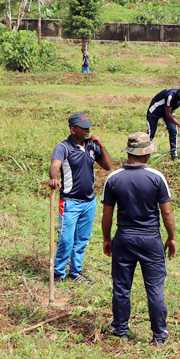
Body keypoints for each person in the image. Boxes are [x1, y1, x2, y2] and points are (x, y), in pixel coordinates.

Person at [102, 132, 177, 346]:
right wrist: (171, 238)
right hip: (150, 239)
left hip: (123, 238)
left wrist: (107, 239)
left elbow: (107, 214)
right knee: (154, 287)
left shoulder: (114, 178)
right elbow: (167, 213)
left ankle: (120, 329)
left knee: (121, 286)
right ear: (146, 154)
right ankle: (159, 336)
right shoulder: (156, 177)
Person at [48, 113, 112, 284]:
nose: (88, 131)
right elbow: (55, 166)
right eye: (84, 128)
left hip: (89, 202)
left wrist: (102, 146)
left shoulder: (91, 146)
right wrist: (54, 178)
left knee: (82, 239)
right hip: (70, 202)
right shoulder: (63, 147)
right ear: (73, 129)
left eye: (89, 127)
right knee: (66, 239)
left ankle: (75, 271)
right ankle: (58, 273)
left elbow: (107, 166)